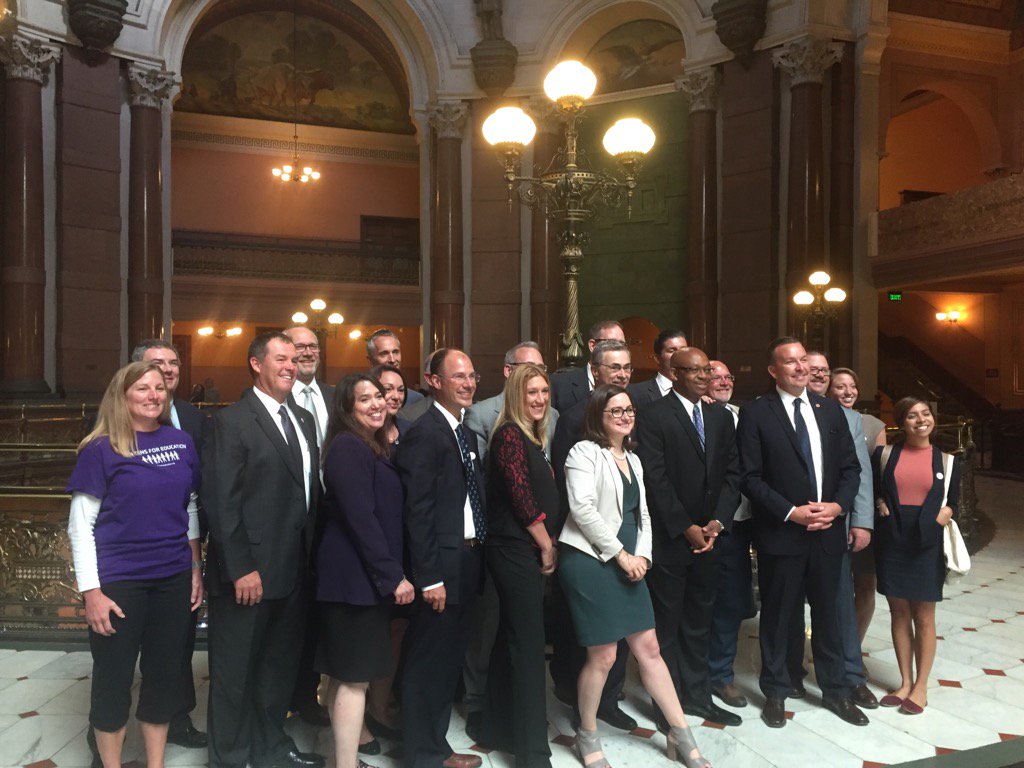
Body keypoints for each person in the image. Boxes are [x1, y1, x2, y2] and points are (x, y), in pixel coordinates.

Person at [559, 385, 710, 768]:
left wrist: (642, 555)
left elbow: (642, 516)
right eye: (616, 411)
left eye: (629, 410)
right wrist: (622, 555)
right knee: (605, 656)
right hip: (591, 560)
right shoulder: (584, 452)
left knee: (650, 650)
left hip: (631, 559)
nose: (626, 416)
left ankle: (680, 733)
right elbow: (582, 510)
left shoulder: (635, 459)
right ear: (599, 416)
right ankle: (587, 734)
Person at [67, 361, 203, 768]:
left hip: (173, 579)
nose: (153, 395)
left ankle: (155, 763)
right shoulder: (101, 448)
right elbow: (80, 527)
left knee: (163, 680)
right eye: (142, 388)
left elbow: (190, 506)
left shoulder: (180, 442)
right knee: (113, 681)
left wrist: (195, 567)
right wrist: (91, 592)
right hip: (118, 583)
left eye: (159, 388)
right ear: (122, 396)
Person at [202, 332, 323, 768]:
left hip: (294, 572)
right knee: (235, 675)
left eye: (295, 359)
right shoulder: (231, 422)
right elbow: (221, 501)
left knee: (277, 673)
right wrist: (240, 569)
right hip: (248, 575)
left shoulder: (303, 421)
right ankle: (230, 759)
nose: (291, 366)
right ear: (256, 364)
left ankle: (270, 748)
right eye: (281, 358)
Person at [736, 337, 865, 728]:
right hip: (782, 534)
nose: (799, 368)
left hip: (827, 533)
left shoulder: (830, 411)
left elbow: (851, 469)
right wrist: (791, 512)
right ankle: (776, 691)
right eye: (789, 363)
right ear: (774, 371)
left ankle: (837, 692)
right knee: (778, 617)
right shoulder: (757, 413)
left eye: (803, 360)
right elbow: (750, 477)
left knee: (830, 617)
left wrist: (838, 507)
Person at [636, 347, 742, 729]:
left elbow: (733, 473)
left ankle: (698, 698)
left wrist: (717, 522)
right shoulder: (653, 415)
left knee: (700, 621)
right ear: (674, 372)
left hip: (711, 538)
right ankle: (668, 706)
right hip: (671, 539)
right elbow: (655, 479)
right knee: (667, 625)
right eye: (693, 371)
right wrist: (686, 527)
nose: (703, 376)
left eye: (706, 370)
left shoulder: (720, 416)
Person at [315, 374, 415, 768]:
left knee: (346, 676)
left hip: (358, 580)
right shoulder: (348, 448)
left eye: (379, 395)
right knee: (353, 679)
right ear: (347, 408)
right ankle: (345, 763)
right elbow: (362, 521)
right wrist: (393, 576)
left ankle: (345, 761)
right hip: (352, 583)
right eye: (364, 399)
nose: (377, 403)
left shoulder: (367, 446)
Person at [461, 341, 557, 741]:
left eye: (544, 392)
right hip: (515, 550)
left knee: (509, 640)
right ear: (515, 393)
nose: (539, 399)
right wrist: (547, 543)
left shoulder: (531, 435)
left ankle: (499, 726)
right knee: (529, 647)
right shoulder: (509, 436)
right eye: (531, 392)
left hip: (522, 551)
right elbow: (522, 500)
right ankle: (532, 750)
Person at [394, 348, 486, 768]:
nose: (468, 384)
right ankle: (420, 754)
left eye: (471, 376)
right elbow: (418, 511)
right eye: (457, 377)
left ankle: (437, 747)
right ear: (433, 381)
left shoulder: (462, 432)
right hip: (439, 569)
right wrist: (429, 577)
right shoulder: (424, 432)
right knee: (427, 661)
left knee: (447, 660)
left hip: (466, 560)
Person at [549, 340, 636, 731]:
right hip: (586, 545)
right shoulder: (574, 418)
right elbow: (571, 494)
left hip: (627, 539)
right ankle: (575, 698)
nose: (621, 374)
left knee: (621, 630)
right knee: (583, 630)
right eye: (614, 367)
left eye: (627, 368)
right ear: (595, 369)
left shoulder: (633, 414)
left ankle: (611, 698)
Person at [129, 339, 209, 750]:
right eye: (156, 364)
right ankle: (104, 742)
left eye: (174, 362)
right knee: (123, 656)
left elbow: (198, 493)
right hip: (130, 561)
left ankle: (178, 720)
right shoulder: (111, 421)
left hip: (182, 554)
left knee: (178, 642)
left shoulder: (195, 418)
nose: (167, 370)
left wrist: (198, 561)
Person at [797, 353, 878, 711]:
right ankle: (789, 670)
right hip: (789, 525)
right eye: (812, 368)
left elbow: (859, 472)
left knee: (840, 605)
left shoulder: (849, 419)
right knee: (786, 605)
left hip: (836, 527)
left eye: (823, 370)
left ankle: (850, 676)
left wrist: (860, 520)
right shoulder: (779, 410)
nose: (817, 374)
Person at [872, 397, 960, 716]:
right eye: (912, 415)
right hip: (893, 538)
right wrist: (880, 502)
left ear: (933, 419)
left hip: (927, 542)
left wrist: (945, 513)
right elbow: (874, 488)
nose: (920, 419)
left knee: (923, 615)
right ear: (901, 422)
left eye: (925, 414)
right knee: (898, 612)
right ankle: (905, 681)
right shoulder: (884, 455)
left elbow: (955, 501)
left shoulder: (948, 461)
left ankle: (921, 685)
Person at [284, 326, 335, 729]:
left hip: (332, 521)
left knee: (319, 616)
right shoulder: (278, 400)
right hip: (290, 526)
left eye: (312, 346)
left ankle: (307, 694)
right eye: (298, 346)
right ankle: (282, 695)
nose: (306, 353)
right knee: (289, 616)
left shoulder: (336, 396)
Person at [705, 361, 756, 709]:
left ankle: (721, 673)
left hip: (745, 522)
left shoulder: (745, 415)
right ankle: (706, 673)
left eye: (728, 376)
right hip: (708, 525)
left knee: (732, 602)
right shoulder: (698, 416)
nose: (723, 382)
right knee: (706, 602)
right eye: (715, 377)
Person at [829, 367, 886, 645]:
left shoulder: (873, 425)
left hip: (864, 514)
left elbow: (878, 471)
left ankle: (853, 646)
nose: (847, 392)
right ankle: (834, 644)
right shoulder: (822, 419)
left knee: (865, 584)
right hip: (834, 515)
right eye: (840, 386)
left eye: (852, 386)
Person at [551, 320, 625, 411]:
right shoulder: (559, 385)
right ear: (592, 345)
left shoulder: (629, 389)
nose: (618, 350)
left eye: (622, 345)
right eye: (611, 344)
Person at [627, 329, 687, 411]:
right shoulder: (636, 393)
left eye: (683, 350)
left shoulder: (696, 391)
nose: (679, 355)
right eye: (672, 351)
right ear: (657, 358)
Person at [366, 329, 424, 407]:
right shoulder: (359, 396)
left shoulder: (415, 400)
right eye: (384, 354)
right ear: (370, 360)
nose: (392, 360)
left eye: (395, 352)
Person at [371, 363, 413, 444]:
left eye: (401, 390)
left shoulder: (410, 429)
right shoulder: (361, 434)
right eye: (388, 389)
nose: (396, 397)